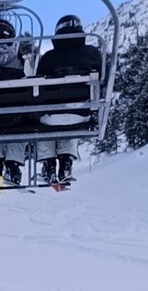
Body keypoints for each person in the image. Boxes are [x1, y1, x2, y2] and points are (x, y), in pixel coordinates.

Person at [36, 14, 103, 185]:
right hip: (82, 113)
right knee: (71, 118)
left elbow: (37, 86)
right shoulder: (93, 53)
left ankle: (49, 165)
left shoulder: (48, 58)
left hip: (51, 117)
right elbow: (104, 78)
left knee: (46, 122)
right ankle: (65, 163)